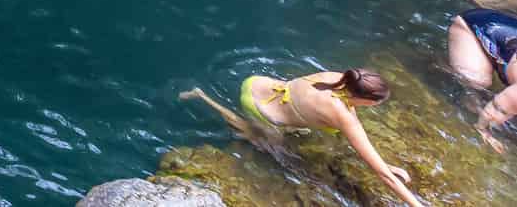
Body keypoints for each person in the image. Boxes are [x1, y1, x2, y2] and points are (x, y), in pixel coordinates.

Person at [180, 70, 425, 207]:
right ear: (364, 100)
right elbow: (383, 177)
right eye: (376, 103)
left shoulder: (338, 78)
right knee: (270, 147)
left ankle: (205, 96)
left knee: (297, 131)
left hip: (257, 83)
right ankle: (202, 97)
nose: (376, 107)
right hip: (259, 109)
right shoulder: (342, 115)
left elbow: (361, 143)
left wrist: (386, 166)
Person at [450, 0, 517, 152]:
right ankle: (439, 65)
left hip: (505, 35)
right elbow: (497, 108)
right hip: (472, 28)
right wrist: (484, 130)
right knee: (476, 82)